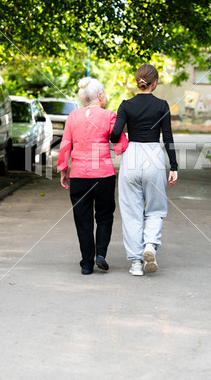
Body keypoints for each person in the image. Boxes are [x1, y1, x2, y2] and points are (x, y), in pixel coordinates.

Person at [111, 63, 178, 276]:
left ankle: (136, 263)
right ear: (154, 83)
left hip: (132, 156)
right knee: (156, 209)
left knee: (131, 211)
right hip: (154, 157)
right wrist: (174, 166)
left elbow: (114, 135)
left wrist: (118, 137)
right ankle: (150, 245)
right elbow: (167, 137)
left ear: (137, 82)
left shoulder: (125, 105)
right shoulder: (162, 105)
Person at [57, 78, 128, 275]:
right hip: (103, 176)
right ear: (99, 96)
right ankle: (101, 255)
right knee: (105, 216)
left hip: (79, 175)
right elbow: (121, 146)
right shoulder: (110, 116)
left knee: (83, 220)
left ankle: (87, 264)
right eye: (104, 94)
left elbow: (65, 145)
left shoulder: (72, 116)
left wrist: (64, 170)